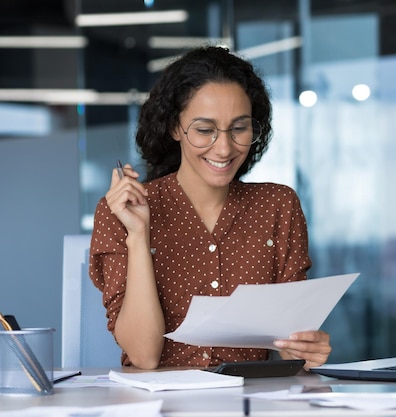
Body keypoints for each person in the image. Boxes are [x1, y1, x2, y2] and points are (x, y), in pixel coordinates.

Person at [88, 45, 331, 370]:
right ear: (175, 128)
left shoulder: (278, 205)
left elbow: (291, 344)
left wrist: (306, 349)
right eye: (205, 130)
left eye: (239, 128)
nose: (225, 147)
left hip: (250, 402)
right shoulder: (121, 211)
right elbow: (144, 356)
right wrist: (137, 236)